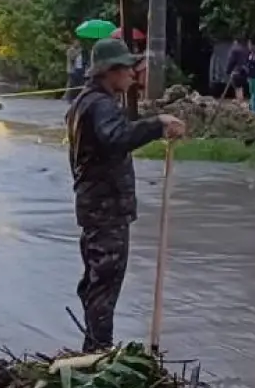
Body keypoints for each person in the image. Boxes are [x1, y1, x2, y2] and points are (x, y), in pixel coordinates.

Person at [67, 38, 186, 352]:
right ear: (110, 71)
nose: (134, 74)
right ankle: (98, 350)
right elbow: (116, 138)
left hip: (93, 206)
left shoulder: (83, 102)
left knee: (96, 281)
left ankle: (93, 347)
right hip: (105, 209)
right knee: (104, 282)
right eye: (128, 68)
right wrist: (157, 125)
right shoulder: (101, 105)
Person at [225, 37, 249, 103]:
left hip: (237, 71)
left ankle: (240, 103)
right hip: (245, 71)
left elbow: (231, 61)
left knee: (238, 88)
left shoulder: (234, 49)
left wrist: (228, 71)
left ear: (235, 41)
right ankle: (240, 102)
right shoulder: (246, 49)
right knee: (241, 88)